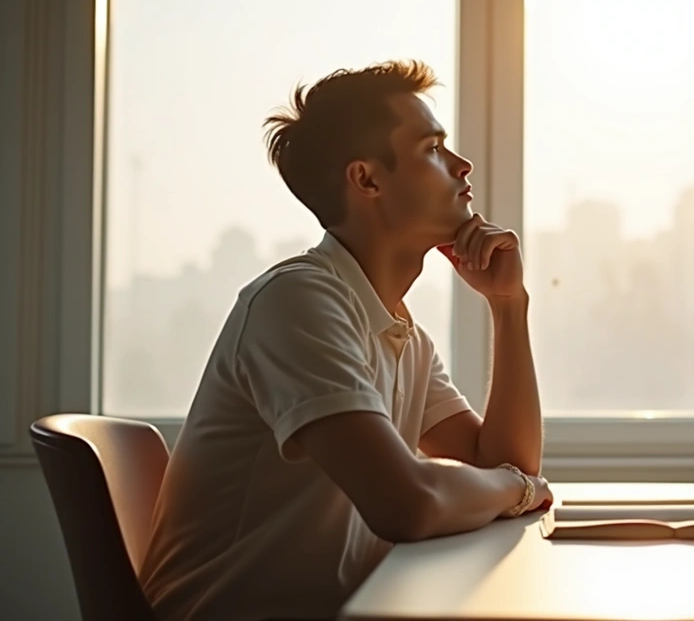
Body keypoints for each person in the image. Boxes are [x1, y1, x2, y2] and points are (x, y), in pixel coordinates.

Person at [138, 59, 552, 621]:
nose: (462, 165)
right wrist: (516, 489)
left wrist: (508, 306)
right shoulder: (296, 303)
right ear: (367, 179)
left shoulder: (401, 332)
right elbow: (409, 505)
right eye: (432, 149)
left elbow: (505, 459)